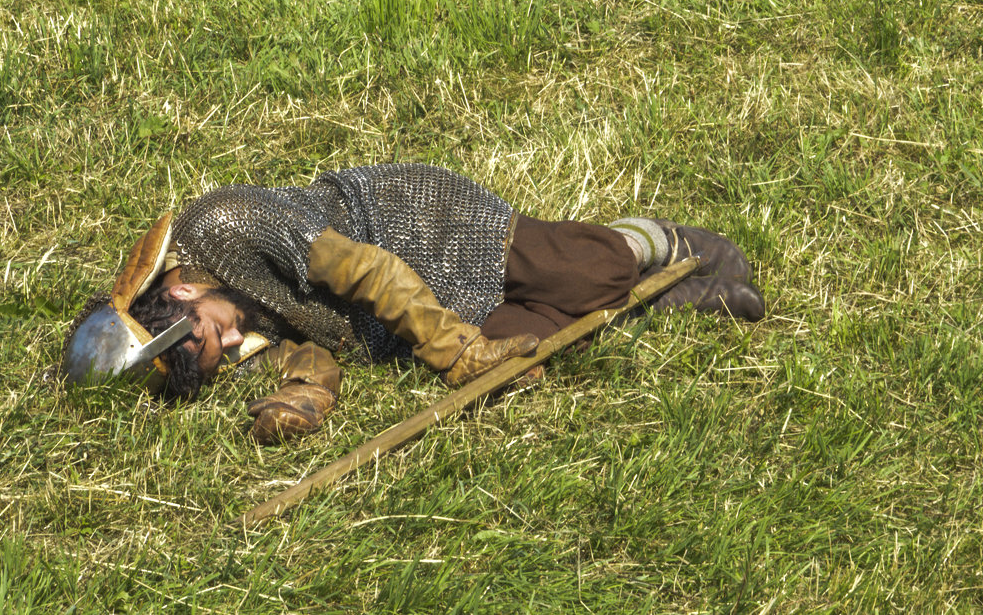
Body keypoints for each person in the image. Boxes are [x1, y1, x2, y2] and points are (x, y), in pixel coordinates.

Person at [62, 163, 763, 443]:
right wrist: (302, 394)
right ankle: (674, 302)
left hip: (412, 227)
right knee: (536, 341)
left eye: (205, 346)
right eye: (206, 367)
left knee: (574, 269)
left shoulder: (223, 223)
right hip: (395, 320)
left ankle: (662, 245)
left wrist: (456, 351)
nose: (220, 356)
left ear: (178, 292)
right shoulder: (206, 335)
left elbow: (368, 271)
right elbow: (300, 346)